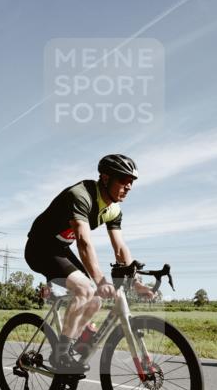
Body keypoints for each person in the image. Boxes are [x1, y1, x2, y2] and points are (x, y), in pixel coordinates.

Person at [25, 154, 154, 373]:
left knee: (96, 299)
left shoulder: (113, 209)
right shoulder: (80, 195)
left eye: (131, 181)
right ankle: (60, 355)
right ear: (105, 178)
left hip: (61, 248)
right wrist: (101, 279)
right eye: (123, 179)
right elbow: (84, 242)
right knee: (86, 289)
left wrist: (136, 281)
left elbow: (120, 247)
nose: (129, 186)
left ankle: (75, 337)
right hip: (40, 248)